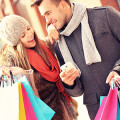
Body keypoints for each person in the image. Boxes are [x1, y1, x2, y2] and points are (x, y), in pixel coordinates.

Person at [32, 0, 120, 119]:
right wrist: (70, 83)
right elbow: (77, 91)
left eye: (48, 13)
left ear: (63, 4)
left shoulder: (105, 15)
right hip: (99, 110)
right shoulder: (59, 44)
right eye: (44, 16)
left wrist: (118, 70)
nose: (47, 20)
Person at [0, 15, 78, 120]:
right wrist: (23, 74)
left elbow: (63, 32)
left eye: (28, 28)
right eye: (23, 35)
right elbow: (21, 97)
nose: (29, 34)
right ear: (16, 43)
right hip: (44, 115)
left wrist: (51, 26)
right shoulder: (11, 62)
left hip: (65, 107)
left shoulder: (45, 45)